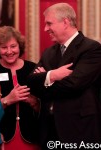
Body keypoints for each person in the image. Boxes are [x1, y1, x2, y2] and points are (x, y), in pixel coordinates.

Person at [27, 3, 101, 150]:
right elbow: (31, 83)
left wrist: (45, 79)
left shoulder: (91, 48)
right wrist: (53, 75)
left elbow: (73, 85)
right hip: (49, 130)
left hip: (79, 130)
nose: (45, 29)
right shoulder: (49, 52)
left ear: (65, 22)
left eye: (49, 23)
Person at [0, 26, 41, 150]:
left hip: (32, 136)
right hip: (0, 137)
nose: (9, 51)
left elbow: (46, 107)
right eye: (4, 47)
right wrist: (7, 99)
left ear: (19, 47)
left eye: (13, 46)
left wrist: (34, 102)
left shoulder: (34, 69)